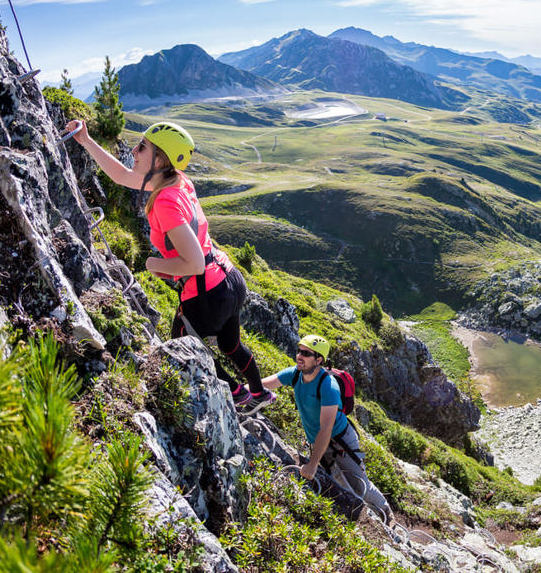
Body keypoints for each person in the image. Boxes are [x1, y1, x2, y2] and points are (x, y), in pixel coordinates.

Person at [67, 120, 275, 413]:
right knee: (231, 345)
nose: (135, 151)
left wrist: (154, 264)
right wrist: (86, 141)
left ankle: (238, 395)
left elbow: (193, 263)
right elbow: (122, 175)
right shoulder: (176, 180)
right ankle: (259, 393)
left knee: (184, 343)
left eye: (143, 147)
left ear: (161, 159)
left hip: (207, 291)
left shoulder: (165, 201)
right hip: (229, 279)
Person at [261, 334, 392, 520]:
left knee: (359, 483)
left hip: (340, 440)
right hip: (321, 441)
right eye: (299, 351)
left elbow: (326, 428)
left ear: (319, 359)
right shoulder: (295, 374)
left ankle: (387, 515)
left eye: (306, 353)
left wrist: (313, 464)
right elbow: (263, 385)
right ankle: (363, 517)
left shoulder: (328, 386)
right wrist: (238, 390)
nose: (299, 356)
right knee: (339, 481)